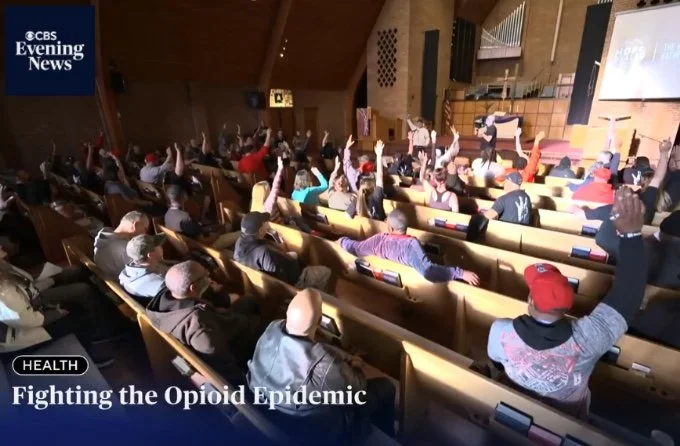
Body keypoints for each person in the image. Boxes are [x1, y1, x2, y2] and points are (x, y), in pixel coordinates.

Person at [487, 188, 647, 419]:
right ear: (569, 307)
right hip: (567, 417)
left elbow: (497, 362)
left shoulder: (501, 329)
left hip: (514, 406)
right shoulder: (588, 338)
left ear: (531, 300)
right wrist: (631, 236)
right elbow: (628, 297)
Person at [247, 288, 396, 443]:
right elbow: (359, 387)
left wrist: (341, 355)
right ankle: (384, 437)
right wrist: (355, 366)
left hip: (276, 412)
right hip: (318, 431)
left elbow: (310, 347)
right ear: (319, 322)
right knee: (385, 387)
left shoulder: (272, 329)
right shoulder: (326, 367)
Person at [146, 260, 262, 384]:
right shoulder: (200, 329)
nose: (208, 274)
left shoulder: (166, 296)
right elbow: (223, 364)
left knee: (248, 301)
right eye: (205, 275)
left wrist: (214, 309)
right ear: (193, 288)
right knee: (269, 327)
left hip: (217, 322)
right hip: (233, 341)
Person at [0, 245, 113, 366]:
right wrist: (56, 312)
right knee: (78, 314)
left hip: (32, 307)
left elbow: (27, 289)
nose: (1, 245)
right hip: (20, 338)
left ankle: (104, 321)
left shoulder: (4, 267)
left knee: (76, 272)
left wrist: (52, 280)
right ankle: (90, 358)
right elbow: (27, 320)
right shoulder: (3, 291)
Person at [338, 209, 479, 285]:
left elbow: (355, 248)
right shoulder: (411, 245)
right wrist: (460, 273)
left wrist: (342, 241)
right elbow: (429, 272)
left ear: (389, 227)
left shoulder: (378, 239)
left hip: (382, 284)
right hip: (412, 287)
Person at [233, 212, 331, 290]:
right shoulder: (264, 252)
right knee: (326, 272)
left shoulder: (239, 242)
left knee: (294, 255)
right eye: (265, 224)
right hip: (293, 282)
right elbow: (279, 280)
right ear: (260, 231)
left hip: (259, 281)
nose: (267, 225)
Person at [164, 185, 239, 250]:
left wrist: (212, 228)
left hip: (188, 244)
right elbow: (204, 241)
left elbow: (196, 230)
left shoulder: (167, 215)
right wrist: (218, 234)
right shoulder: (186, 219)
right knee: (238, 232)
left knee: (223, 227)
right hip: (205, 248)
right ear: (184, 196)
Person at [94, 210, 149, 278]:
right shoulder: (126, 249)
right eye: (145, 229)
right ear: (135, 226)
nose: (145, 234)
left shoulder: (105, 236)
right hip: (118, 285)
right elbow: (144, 271)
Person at [119, 234, 171, 300]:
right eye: (158, 245)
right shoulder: (160, 283)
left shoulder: (128, 271)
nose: (161, 246)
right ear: (150, 255)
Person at [346, 141, 387, 221]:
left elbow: (347, 216)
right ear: (373, 189)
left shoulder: (357, 200)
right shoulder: (376, 197)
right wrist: (379, 155)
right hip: (379, 231)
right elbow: (380, 175)